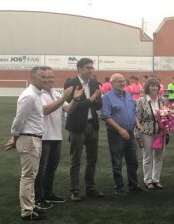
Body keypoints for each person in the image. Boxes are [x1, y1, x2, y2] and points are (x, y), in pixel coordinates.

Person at [4, 66, 51, 220]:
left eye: (47, 77)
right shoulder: (30, 95)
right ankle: (27, 211)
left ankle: (31, 205)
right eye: (42, 77)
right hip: (29, 139)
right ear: (33, 78)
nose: (46, 79)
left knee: (32, 175)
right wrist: (14, 138)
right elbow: (19, 120)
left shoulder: (36, 94)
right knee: (28, 176)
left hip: (33, 138)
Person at [34, 67, 82, 209]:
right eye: (45, 77)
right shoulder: (38, 94)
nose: (49, 79)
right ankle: (38, 197)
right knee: (40, 169)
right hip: (43, 136)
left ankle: (48, 193)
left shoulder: (55, 92)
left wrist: (74, 99)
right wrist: (63, 98)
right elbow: (46, 110)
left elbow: (68, 109)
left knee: (51, 168)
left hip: (56, 136)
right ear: (39, 78)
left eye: (51, 77)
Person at [64, 58, 104, 201]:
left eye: (92, 67)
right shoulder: (70, 84)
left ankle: (90, 187)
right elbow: (71, 107)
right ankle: (75, 190)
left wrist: (98, 99)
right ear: (79, 69)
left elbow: (98, 106)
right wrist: (91, 100)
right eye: (88, 67)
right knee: (76, 159)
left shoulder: (94, 83)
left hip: (92, 125)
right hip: (77, 126)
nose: (91, 70)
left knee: (92, 158)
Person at [102, 73, 145, 195]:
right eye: (118, 81)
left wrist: (137, 123)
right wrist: (120, 130)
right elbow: (106, 116)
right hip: (116, 134)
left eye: (123, 81)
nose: (122, 83)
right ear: (112, 83)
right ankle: (119, 186)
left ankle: (133, 184)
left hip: (130, 133)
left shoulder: (128, 95)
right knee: (117, 162)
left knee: (133, 160)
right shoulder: (107, 97)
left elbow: (133, 112)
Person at [135, 77, 166, 190]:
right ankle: (147, 180)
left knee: (158, 157)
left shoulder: (162, 100)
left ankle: (156, 180)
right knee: (147, 157)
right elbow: (137, 118)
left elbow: (166, 116)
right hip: (146, 132)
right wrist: (138, 133)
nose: (154, 87)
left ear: (159, 87)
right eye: (152, 85)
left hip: (160, 133)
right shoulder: (141, 101)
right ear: (147, 87)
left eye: (156, 85)